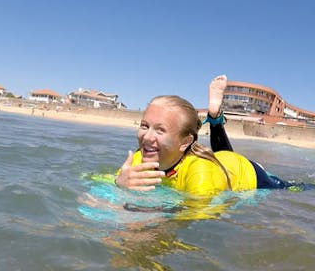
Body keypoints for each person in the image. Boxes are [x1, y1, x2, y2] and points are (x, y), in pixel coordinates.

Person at [113, 75, 305, 196]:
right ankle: (214, 116)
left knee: (296, 189)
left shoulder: (200, 174)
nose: (147, 137)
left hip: (250, 174)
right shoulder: (139, 158)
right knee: (221, 156)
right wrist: (118, 183)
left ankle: (215, 118)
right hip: (221, 162)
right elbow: (97, 183)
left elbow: (196, 217)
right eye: (144, 126)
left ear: (185, 142)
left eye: (160, 130)